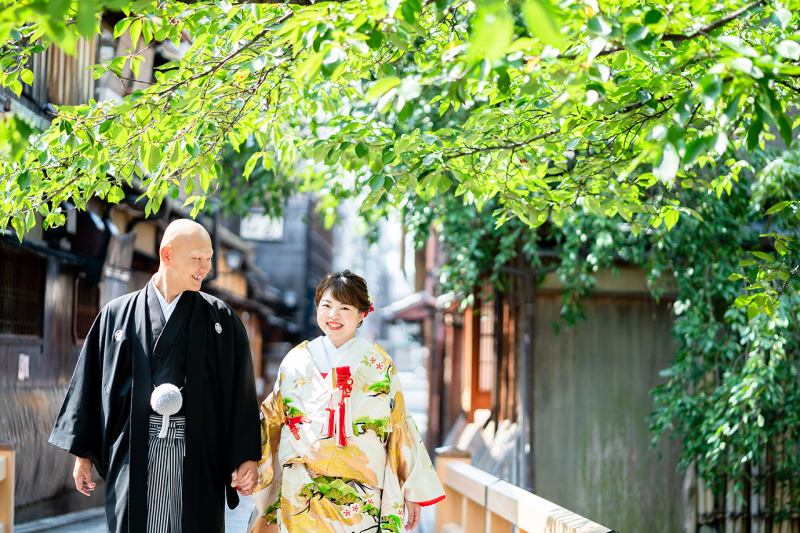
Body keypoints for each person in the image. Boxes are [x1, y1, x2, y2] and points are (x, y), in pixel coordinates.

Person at [49, 219, 262, 533]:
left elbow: (240, 393)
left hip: (197, 455)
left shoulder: (222, 320)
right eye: (197, 259)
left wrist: (246, 456)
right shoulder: (116, 314)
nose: (207, 268)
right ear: (167, 255)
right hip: (134, 451)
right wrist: (83, 455)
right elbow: (91, 386)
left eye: (209, 258)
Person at [248, 270, 445, 533]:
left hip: (360, 491)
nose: (333, 315)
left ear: (362, 314)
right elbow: (271, 418)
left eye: (345, 307)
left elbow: (400, 424)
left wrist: (411, 489)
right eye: (326, 305)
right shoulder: (295, 360)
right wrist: (246, 460)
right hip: (301, 487)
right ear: (317, 307)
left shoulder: (379, 364)